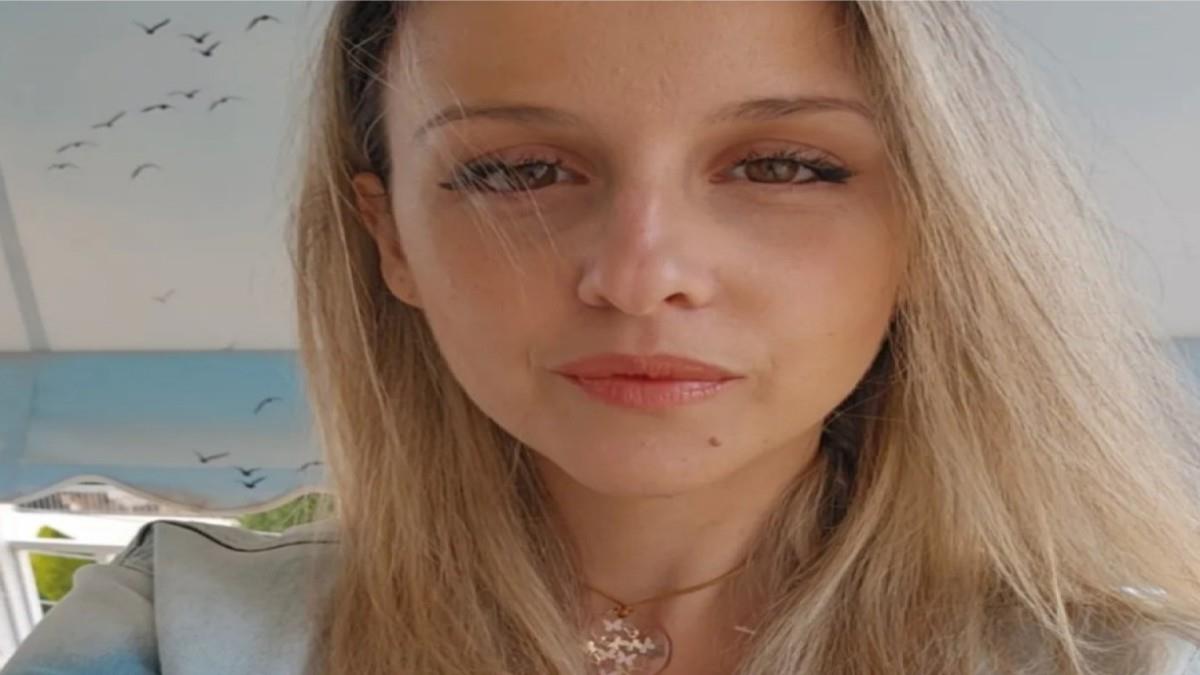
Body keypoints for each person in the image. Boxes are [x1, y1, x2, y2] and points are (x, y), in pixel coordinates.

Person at [5, 2, 1200, 674]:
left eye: (784, 165)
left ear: (934, 227)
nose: (640, 276)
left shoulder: (1132, 663)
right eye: (518, 171)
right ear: (391, 239)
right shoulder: (169, 640)